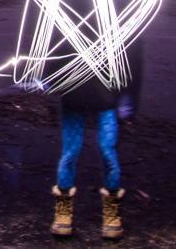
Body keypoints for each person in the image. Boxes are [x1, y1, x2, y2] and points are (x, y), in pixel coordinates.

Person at [49, 33, 144, 239]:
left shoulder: (118, 9)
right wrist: (52, 82)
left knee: (106, 152)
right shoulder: (72, 6)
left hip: (105, 96)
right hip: (75, 95)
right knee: (71, 153)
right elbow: (55, 47)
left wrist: (128, 97)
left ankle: (111, 215)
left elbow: (133, 55)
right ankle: (63, 214)